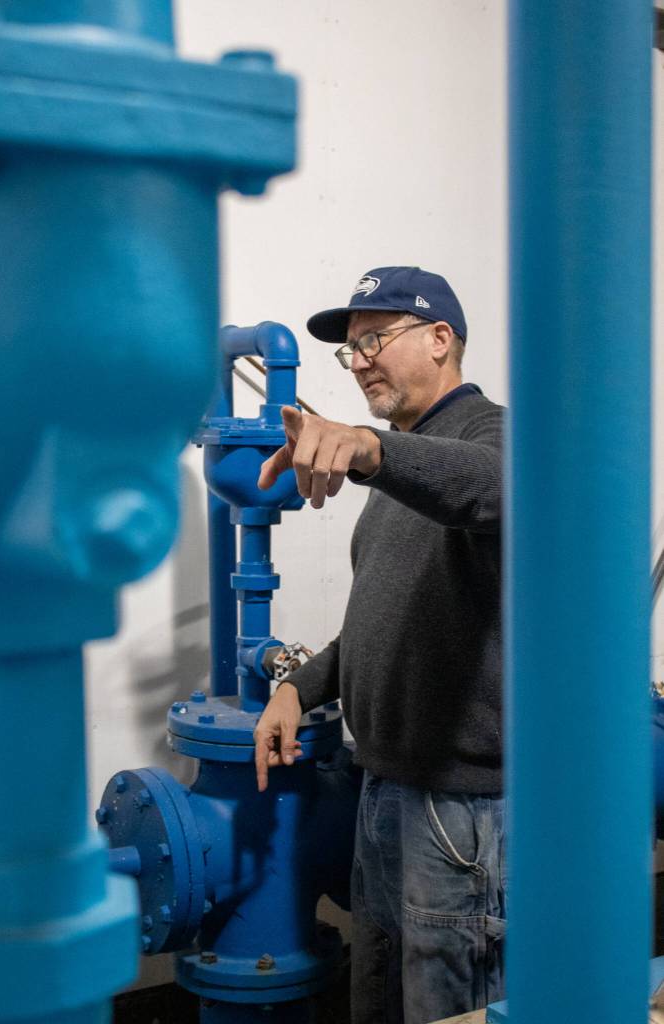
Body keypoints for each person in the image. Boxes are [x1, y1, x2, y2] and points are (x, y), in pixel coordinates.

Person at [253, 266, 506, 1024]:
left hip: (460, 808)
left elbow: (490, 484)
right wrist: (299, 687)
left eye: (376, 339)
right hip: (387, 792)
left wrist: (366, 449)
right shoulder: (403, 465)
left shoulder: (486, 439)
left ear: (440, 340)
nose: (359, 359)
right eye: (350, 348)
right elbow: (378, 617)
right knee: (381, 1004)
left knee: (447, 1010)